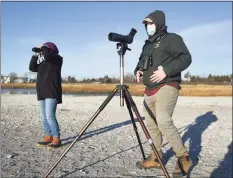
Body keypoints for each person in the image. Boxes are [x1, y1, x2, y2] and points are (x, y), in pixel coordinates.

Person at [134, 10, 193, 177]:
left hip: (167, 85)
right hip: (149, 89)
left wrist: (166, 70)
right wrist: (138, 70)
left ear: (158, 23)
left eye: (151, 23)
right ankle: (156, 157)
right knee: (151, 124)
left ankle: (183, 157)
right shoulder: (147, 44)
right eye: (146, 24)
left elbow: (186, 58)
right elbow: (140, 62)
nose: (148, 27)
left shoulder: (172, 39)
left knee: (163, 120)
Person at [29, 42, 63, 149]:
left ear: (50, 50)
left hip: (52, 91)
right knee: (44, 117)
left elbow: (48, 56)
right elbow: (32, 68)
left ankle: (56, 138)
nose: (42, 52)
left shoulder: (57, 59)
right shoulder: (43, 62)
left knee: (50, 116)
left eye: (44, 50)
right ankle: (49, 136)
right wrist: (35, 55)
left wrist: (43, 47)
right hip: (42, 91)